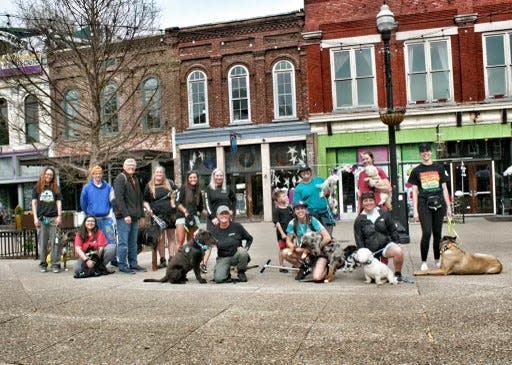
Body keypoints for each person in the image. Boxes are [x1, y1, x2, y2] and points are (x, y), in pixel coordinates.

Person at [408, 143, 452, 271]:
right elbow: (415, 192)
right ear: (420, 154)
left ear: (431, 152)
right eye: (422, 151)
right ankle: (423, 261)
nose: (425, 153)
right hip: (424, 204)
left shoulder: (439, 168)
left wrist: (448, 207)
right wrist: (415, 210)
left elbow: (444, 189)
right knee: (427, 232)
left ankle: (437, 260)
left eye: (427, 150)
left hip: (439, 204)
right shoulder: (416, 170)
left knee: (437, 233)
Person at [353, 191, 404, 282]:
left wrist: (397, 242)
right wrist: (363, 255)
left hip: (385, 246)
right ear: (362, 203)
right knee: (375, 277)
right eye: (365, 201)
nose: (368, 203)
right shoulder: (359, 220)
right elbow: (359, 240)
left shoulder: (384, 213)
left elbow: (392, 229)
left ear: (375, 201)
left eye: (370, 200)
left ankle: (397, 274)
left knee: (398, 252)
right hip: (371, 251)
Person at [283, 201, 331, 282]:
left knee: (317, 278)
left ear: (306, 210)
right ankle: (304, 267)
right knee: (285, 252)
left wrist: (314, 250)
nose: (300, 211)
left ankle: (327, 268)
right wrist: (292, 247)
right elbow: (288, 240)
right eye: (297, 209)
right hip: (304, 252)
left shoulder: (313, 221)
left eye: (302, 208)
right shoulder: (292, 223)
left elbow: (327, 238)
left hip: (319, 252)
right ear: (294, 211)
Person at [112, 158, 146, 274]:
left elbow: (139, 199)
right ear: (124, 166)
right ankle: (122, 265)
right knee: (123, 243)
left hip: (135, 217)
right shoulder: (121, 178)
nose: (131, 167)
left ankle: (133, 263)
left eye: (133, 165)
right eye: (129, 165)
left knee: (133, 242)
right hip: (124, 217)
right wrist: (125, 215)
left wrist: (142, 215)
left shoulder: (135, 178)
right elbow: (119, 199)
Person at [80, 165, 117, 266]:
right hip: (93, 220)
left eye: (100, 173)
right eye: (96, 174)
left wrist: (106, 209)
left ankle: (113, 260)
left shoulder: (108, 187)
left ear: (102, 174)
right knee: (93, 241)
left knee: (111, 240)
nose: (98, 175)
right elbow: (83, 203)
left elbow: (112, 200)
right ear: (92, 175)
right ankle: (95, 262)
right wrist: (89, 213)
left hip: (106, 219)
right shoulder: (87, 188)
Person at [143, 165, 177, 267]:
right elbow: (145, 201)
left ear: (163, 173)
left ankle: (171, 258)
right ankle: (162, 260)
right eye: (157, 172)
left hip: (170, 214)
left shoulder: (170, 183)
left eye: (161, 172)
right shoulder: (149, 186)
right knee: (160, 238)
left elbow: (177, 194)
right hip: (157, 216)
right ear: (154, 173)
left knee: (171, 237)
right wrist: (149, 209)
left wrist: (174, 202)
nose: (159, 174)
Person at [31, 167, 62, 273]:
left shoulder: (56, 188)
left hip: (53, 218)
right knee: (43, 243)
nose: (49, 176)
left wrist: (59, 216)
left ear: (53, 177)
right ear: (44, 174)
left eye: (51, 175)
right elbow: (34, 203)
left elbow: (58, 202)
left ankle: (55, 264)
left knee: (55, 242)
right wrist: (35, 218)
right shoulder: (37, 187)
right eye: (47, 174)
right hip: (41, 218)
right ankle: (43, 264)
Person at [211, 205, 253, 283]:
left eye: (226, 213)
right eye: (221, 213)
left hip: (236, 256)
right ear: (217, 215)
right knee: (219, 279)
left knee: (243, 253)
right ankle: (226, 273)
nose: (224, 215)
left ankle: (241, 271)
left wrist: (246, 248)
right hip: (223, 257)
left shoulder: (237, 226)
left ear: (229, 215)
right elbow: (205, 241)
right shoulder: (214, 230)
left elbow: (250, 238)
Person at [294, 165, 335, 235]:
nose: (305, 173)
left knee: (328, 236)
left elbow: (328, 193)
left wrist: (328, 191)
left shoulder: (320, 180)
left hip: (325, 212)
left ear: (310, 172)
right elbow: (297, 205)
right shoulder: (298, 188)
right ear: (300, 174)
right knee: (315, 237)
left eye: (307, 171)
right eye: (303, 172)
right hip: (311, 214)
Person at [175, 170, 203, 249]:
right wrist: (185, 211)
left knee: (191, 241)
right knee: (180, 241)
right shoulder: (183, 188)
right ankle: (177, 261)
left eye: (194, 177)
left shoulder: (198, 191)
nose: (192, 179)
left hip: (193, 218)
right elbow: (177, 202)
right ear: (187, 179)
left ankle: (190, 260)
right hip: (182, 217)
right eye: (190, 177)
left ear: (197, 178)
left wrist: (212, 215)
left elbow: (200, 207)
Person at [272, 189, 293, 273]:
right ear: (278, 200)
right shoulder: (277, 210)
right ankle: (281, 265)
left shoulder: (289, 208)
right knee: (282, 248)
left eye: (286, 195)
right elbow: (277, 223)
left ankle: (295, 262)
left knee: (291, 246)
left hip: (290, 232)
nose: (286, 197)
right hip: (282, 233)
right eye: (283, 196)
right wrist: (282, 233)